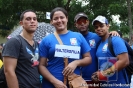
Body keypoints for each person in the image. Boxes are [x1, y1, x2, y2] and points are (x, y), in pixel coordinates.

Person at [39, 7, 92, 88]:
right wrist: (54, 81)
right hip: (51, 85)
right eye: (56, 18)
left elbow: (88, 58)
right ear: (51, 22)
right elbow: (41, 66)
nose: (59, 20)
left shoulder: (78, 36)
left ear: (67, 19)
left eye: (62, 17)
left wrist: (76, 63)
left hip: (74, 84)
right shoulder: (46, 40)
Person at [74, 12, 120, 88]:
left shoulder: (97, 37)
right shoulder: (72, 37)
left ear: (88, 22)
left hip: (95, 79)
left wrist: (113, 32)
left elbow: (107, 37)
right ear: (75, 24)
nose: (82, 24)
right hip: (77, 79)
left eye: (84, 21)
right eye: (79, 22)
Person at [2, 9, 41, 88]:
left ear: (37, 23)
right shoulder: (14, 42)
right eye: (28, 19)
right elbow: (8, 71)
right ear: (21, 23)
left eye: (34, 19)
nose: (32, 21)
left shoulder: (36, 44)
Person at [91, 15, 130, 88]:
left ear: (108, 26)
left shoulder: (115, 40)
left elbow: (124, 61)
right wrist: (98, 75)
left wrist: (103, 73)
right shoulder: (99, 43)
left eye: (101, 26)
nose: (98, 28)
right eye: (96, 27)